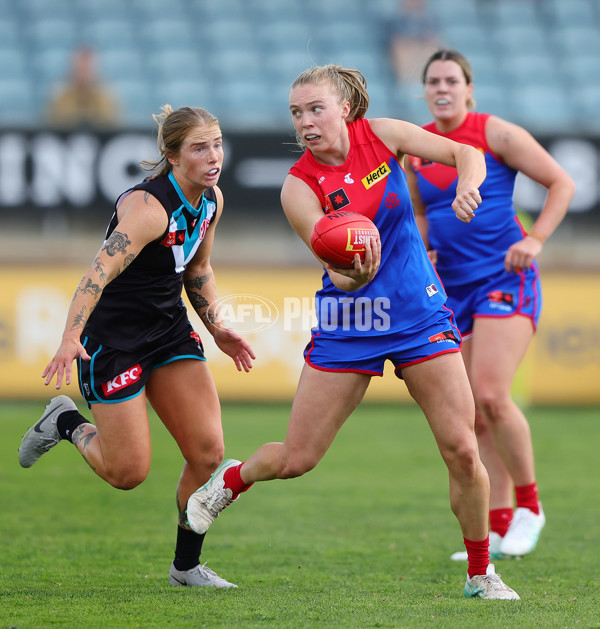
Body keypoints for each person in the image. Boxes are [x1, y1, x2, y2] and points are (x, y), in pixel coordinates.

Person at [186, 64, 521, 599]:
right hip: (352, 320)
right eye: (297, 113)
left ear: (345, 108)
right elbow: (337, 270)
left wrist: (468, 185)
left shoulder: (382, 134)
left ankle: (481, 574)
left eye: (315, 109)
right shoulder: (297, 188)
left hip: (419, 313)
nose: (305, 122)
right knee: (297, 459)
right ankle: (232, 479)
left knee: (462, 449)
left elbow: (467, 153)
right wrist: (353, 274)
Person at [18, 104, 255, 588]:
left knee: (208, 453)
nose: (214, 157)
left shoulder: (212, 200)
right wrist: (68, 338)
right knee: (127, 473)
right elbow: (96, 274)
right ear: (171, 156)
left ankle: (185, 567)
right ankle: (64, 421)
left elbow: (197, 269)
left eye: (218, 144)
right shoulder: (148, 210)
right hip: (114, 341)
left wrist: (216, 328)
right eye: (199, 148)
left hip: (169, 331)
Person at [405, 49, 575, 561]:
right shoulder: (418, 146)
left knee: (493, 396)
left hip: (506, 277)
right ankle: (498, 527)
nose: (442, 87)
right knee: (474, 415)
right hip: (452, 288)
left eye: (451, 79)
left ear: (468, 87)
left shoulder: (496, 133)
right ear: (425, 89)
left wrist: (537, 238)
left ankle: (530, 507)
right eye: (433, 80)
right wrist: (425, 247)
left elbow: (561, 183)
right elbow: (419, 212)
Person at [45, 45, 121, 129]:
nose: (84, 71)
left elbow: (110, 121)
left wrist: (94, 93)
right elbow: (55, 120)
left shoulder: (107, 92)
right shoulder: (60, 92)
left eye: (87, 67)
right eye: (80, 67)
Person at [386, 0, 441, 87]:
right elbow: (397, 44)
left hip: (421, 54)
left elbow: (433, 41)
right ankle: (408, 81)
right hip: (405, 61)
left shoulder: (430, 20)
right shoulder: (396, 21)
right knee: (403, 50)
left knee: (433, 48)